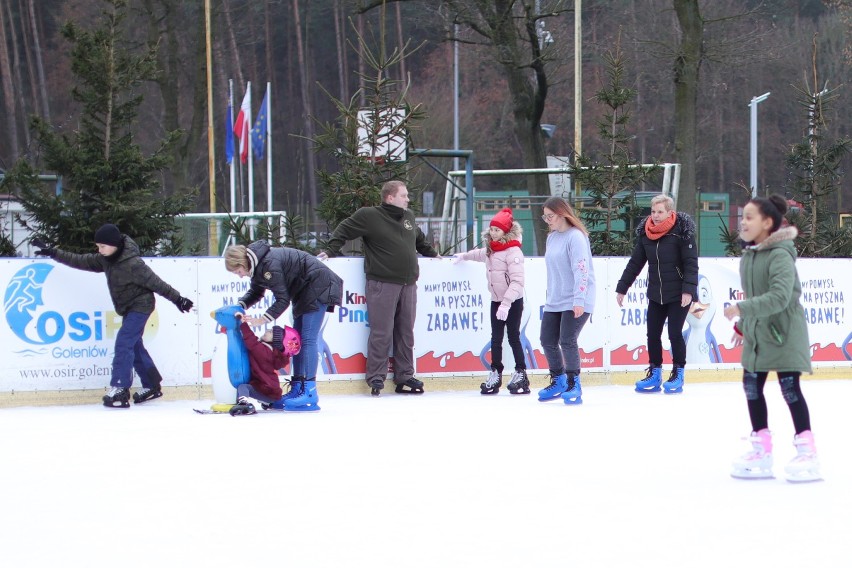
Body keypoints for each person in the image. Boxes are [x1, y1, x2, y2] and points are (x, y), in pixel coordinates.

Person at [32, 224, 194, 408]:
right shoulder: (105, 259)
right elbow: (80, 260)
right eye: (98, 246)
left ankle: (120, 387)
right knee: (134, 344)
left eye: (102, 246)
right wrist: (53, 252)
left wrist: (178, 299)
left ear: (114, 244)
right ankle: (151, 385)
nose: (98, 250)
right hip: (127, 308)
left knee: (124, 342)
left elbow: (158, 284)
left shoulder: (134, 264)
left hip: (141, 306)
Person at [723, 195, 820, 482]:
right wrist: (743, 325)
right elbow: (756, 297)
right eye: (743, 217)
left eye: (750, 217)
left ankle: (807, 451)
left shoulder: (780, 254)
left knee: (790, 388)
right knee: (751, 385)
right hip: (758, 333)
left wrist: (742, 308)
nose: (743, 222)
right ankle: (761, 450)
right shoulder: (749, 256)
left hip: (784, 332)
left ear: (767, 223)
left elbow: (779, 297)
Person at [319, 180, 440, 396]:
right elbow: (344, 229)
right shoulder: (370, 216)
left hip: (408, 283)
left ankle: (405, 376)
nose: (408, 199)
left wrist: (433, 254)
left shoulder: (408, 217)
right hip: (382, 283)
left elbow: (419, 240)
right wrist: (330, 250)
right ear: (390, 197)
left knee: (405, 332)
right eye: (404, 195)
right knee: (381, 332)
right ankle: (376, 377)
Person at [224, 241, 343, 412]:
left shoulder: (268, 264)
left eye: (238, 271)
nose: (240, 275)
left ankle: (309, 392)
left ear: (243, 263)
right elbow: (256, 292)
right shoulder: (258, 266)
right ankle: (297, 388)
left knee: (308, 339)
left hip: (318, 285)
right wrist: (240, 306)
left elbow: (282, 299)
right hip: (304, 290)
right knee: (299, 341)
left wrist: (262, 319)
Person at [615, 194, 698, 394]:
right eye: (653, 211)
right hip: (656, 293)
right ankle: (655, 372)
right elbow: (636, 262)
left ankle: (678, 372)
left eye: (660, 212)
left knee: (674, 334)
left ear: (670, 212)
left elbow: (691, 263)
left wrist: (688, 290)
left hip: (678, 294)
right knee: (652, 334)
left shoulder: (682, 232)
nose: (656, 216)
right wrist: (622, 287)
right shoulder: (647, 233)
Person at [453, 207, 529, 395]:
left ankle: (521, 374)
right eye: (492, 229)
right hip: (496, 300)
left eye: (497, 230)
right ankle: (495, 373)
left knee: (513, 337)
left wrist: (506, 303)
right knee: (496, 339)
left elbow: (518, 281)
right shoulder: (491, 249)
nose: (493, 233)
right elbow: (479, 254)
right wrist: (464, 256)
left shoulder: (513, 251)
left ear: (506, 231)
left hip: (512, 302)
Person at [537, 197, 596, 405]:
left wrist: (579, 299)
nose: (547, 220)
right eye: (545, 216)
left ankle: (574, 383)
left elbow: (581, 270)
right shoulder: (552, 238)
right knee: (546, 340)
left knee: (567, 340)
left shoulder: (576, 237)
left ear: (562, 214)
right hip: (555, 299)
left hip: (576, 299)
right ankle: (558, 379)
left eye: (550, 216)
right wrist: (549, 297)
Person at [229, 321, 300, 416]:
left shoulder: (265, 352)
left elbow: (252, 343)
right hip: (267, 391)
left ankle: (244, 404)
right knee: (245, 387)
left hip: (267, 391)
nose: (267, 331)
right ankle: (269, 403)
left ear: (275, 341)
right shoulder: (267, 350)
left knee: (243, 387)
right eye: (270, 330)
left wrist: (243, 324)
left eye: (270, 332)